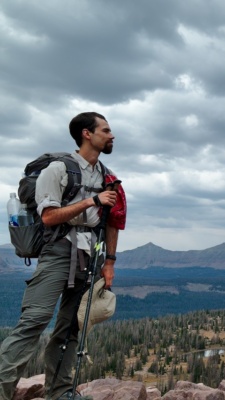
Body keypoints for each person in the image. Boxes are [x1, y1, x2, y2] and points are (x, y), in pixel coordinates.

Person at [0, 112, 126, 400]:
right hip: (58, 251)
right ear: (86, 134)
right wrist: (92, 200)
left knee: (71, 326)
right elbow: (49, 216)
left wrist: (109, 262)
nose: (111, 135)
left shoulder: (107, 176)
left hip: (89, 256)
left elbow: (111, 221)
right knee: (34, 321)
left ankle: (61, 391)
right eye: (105, 130)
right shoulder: (57, 170)